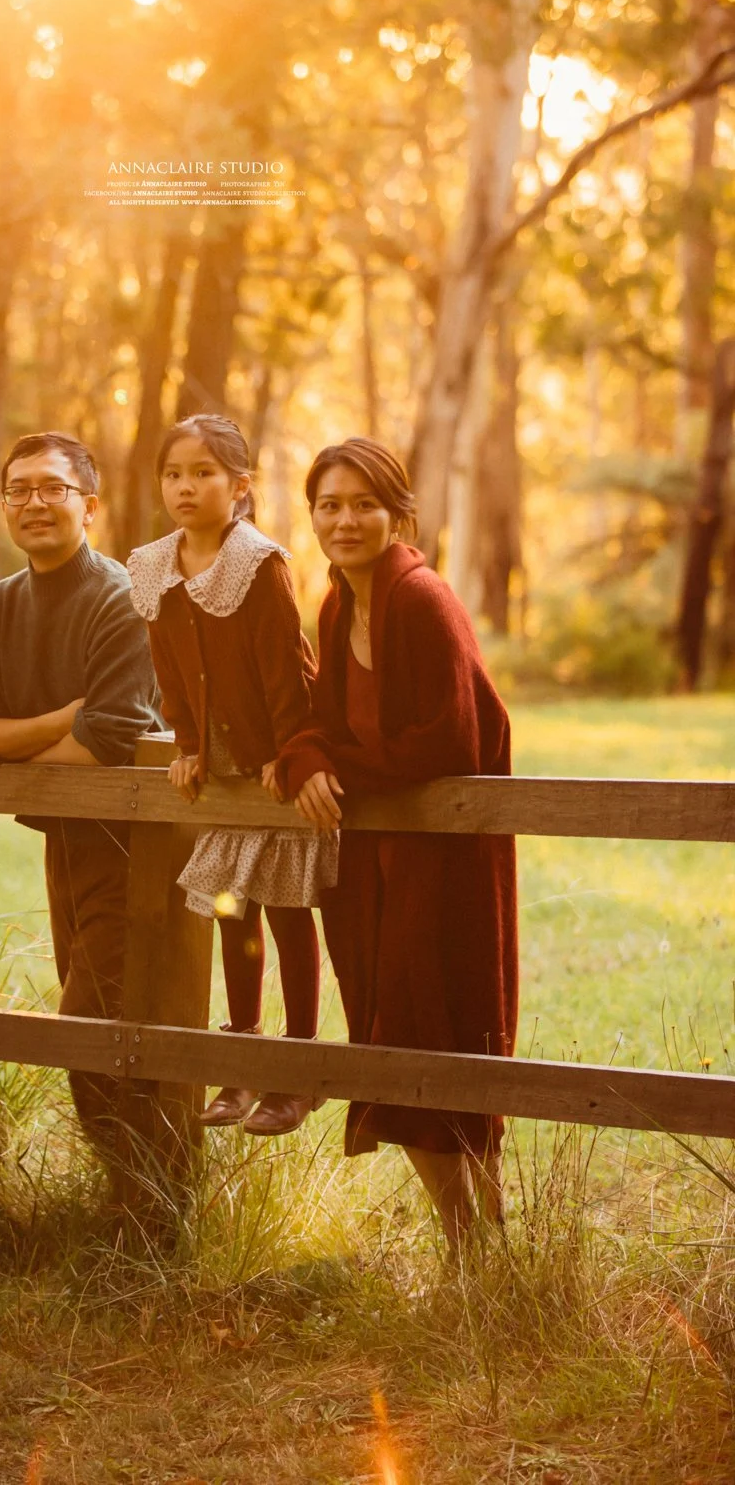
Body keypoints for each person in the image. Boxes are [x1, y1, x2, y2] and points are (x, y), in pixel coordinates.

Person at [277, 437, 517, 1248]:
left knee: (446, 1033)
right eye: (329, 505)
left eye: (363, 505)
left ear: (397, 512)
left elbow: (444, 744)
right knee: (388, 1034)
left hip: (447, 861)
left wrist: (329, 759)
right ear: (310, 514)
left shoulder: (422, 600)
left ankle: (486, 1239)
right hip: (377, 865)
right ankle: (466, 1244)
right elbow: (326, 721)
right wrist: (306, 755)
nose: (345, 520)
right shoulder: (339, 604)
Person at [127, 415, 337, 1138]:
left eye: (205, 473)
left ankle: (297, 1071)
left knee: (285, 912)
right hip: (219, 774)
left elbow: (286, 670)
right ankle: (240, 1053)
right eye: (174, 473)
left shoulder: (259, 561)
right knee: (228, 910)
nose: (187, 486)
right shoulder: (156, 565)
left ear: (240, 487)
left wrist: (288, 751)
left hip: (276, 764)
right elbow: (171, 673)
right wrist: (187, 745)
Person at [0, 431, 159, 1153]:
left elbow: (110, 741)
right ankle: (134, 1197)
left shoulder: (124, 597)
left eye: (53, 488)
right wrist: (60, 718)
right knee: (96, 1020)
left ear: (90, 505)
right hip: (62, 837)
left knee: (96, 1028)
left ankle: (146, 1204)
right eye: (19, 489)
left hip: (136, 843)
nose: (34, 503)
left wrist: (30, 743)